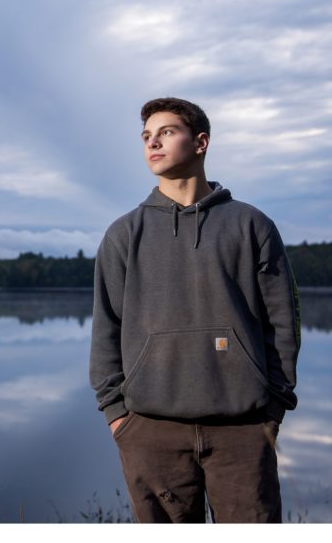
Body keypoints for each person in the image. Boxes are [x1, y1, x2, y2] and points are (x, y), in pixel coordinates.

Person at [89, 97, 300, 523]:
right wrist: (119, 417)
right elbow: (105, 331)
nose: (153, 143)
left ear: (200, 142)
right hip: (149, 431)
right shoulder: (123, 234)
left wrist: (272, 410)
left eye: (166, 132)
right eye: (147, 136)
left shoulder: (251, 225)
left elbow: (284, 322)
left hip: (242, 431)